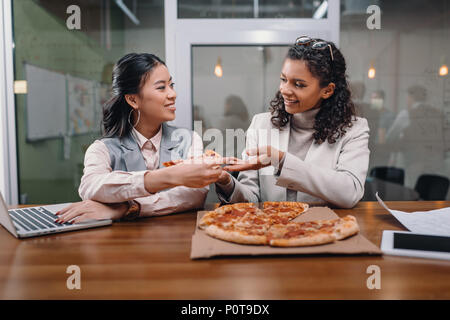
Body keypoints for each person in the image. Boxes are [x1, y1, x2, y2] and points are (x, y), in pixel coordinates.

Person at [55, 53, 223, 223]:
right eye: (161, 87)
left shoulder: (189, 139)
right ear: (133, 100)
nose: (173, 94)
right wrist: (167, 177)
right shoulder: (102, 149)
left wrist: (129, 207)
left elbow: (195, 194)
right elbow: (91, 187)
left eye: (171, 85)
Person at [214, 36, 370, 208]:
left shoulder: (354, 129)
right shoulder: (261, 124)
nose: (285, 90)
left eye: (299, 85)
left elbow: (350, 193)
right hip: (269, 232)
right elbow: (251, 199)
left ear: (327, 90)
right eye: (283, 79)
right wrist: (226, 181)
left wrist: (281, 160)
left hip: (323, 229)